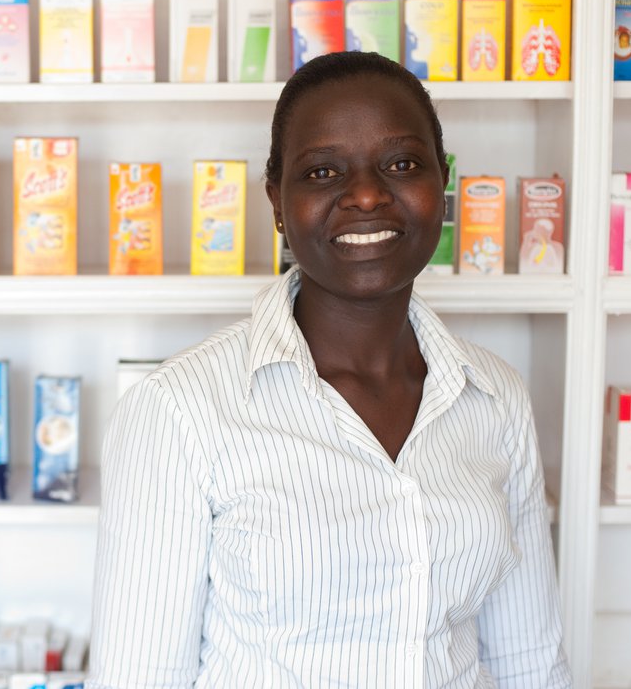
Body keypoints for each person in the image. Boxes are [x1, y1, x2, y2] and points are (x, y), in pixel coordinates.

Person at [89, 51, 570, 688]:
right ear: (278, 203)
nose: (368, 194)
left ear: (442, 187)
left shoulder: (493, 397)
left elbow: (528, 663)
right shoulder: (179, 410)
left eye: (401, 164)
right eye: (322, 171)